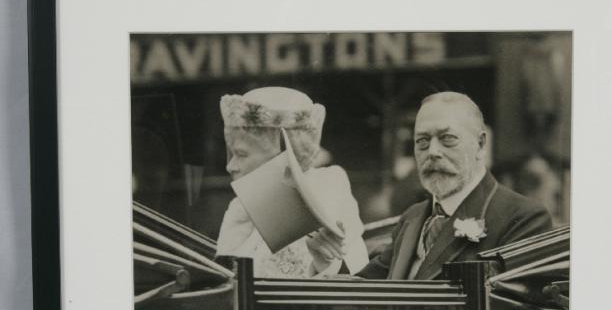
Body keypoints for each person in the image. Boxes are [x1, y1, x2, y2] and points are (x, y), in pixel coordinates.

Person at [307, 91, 552, 280]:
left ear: (480, 144)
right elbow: (368, 292)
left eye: (447, 139)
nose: (432, 152)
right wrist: (325, 261)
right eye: (422, 141)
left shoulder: (522, 219)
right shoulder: (411, 218)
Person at [216, 86, 368, 278]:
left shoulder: (320, 199)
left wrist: (323, 264)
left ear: (281, 157)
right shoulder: (242, 209)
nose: (231, 166)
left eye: (241, 154)